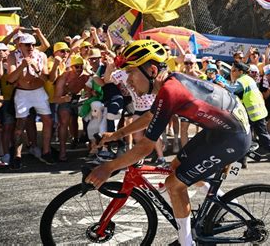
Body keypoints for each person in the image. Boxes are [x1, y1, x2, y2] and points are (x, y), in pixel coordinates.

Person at [86, 40, 251, 246]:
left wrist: (109, 167)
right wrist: (118, 134)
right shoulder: (167, 85)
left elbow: (146, 146)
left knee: (175, 185)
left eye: (131, 74)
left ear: (152, 70)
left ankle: (187, 242)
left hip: (233, 137)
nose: (128, 82)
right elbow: (149, 117)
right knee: (176, 168)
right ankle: (221, 208)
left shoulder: (170, 90)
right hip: (222, 130)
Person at [7, 33, 53, 168]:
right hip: (22, 93)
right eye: (27, 44)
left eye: (33, 44)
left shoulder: (41, 55)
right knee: (20, 124)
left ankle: (46, 151)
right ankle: (17, 155)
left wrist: (37, 69)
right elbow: (10, 79)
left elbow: (47, 79)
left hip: (38, 91)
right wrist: (22, 66)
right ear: (20, 45)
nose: (31, 47)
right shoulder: (13, 56)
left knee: (48, 120)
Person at [230, 61, 270, 164]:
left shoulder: (241, 81)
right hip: (256, 112)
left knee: (256, 135)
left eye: (233, 70)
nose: (232, 72)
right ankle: (242, 160)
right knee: (249, 135)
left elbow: (231, 90)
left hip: (253, 113)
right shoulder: (248, 79)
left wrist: (221, 84)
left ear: (240, 71)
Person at [53, 55, 91, 161]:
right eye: (76, 67)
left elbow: (91, 93)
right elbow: (55, 98)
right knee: (64, 121)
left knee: (90, 116)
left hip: (78, 98)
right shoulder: (64, 77)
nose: (79, 69)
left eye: (81, 67)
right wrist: (64, 99)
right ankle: (62, 150)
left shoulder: (85, 76)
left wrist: (86, 95)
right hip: (65, 99)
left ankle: (90, 145)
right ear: (72, 67)